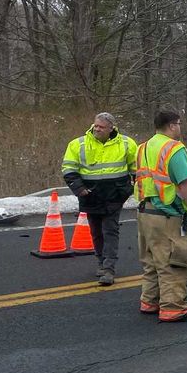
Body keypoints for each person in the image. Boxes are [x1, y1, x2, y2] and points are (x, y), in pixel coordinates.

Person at [134, 110, 187, 322]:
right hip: (167, 214)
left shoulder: (143, 148)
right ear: (172, 126)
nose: (180, 128)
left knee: (152, 261)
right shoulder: (174, 148)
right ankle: (173, 308)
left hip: (145, 212)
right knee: (173, 262)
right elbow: (185, 183)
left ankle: (149, 301)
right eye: (179, 124)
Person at [61, 112, 137, 286]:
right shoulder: (78, 144)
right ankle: (101, 262)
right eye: (96, 125)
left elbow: (136, 168)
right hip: (90, 195)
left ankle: (109, 268)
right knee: (95, 231)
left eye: (101, 127)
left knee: (110, 229)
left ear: (111, 128)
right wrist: (79, 189)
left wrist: (129, 189)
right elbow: (68, 168)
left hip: (115, 195)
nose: (97, 129)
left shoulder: (126, 143)